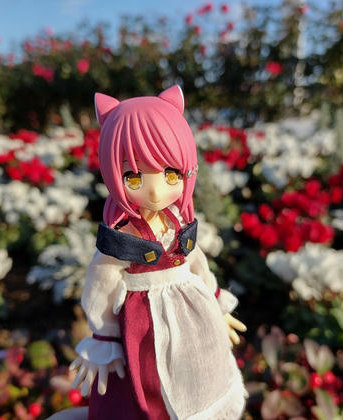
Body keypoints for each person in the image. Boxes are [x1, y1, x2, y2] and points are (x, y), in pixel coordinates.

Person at [56, 86, 247, 420]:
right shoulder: (123, 233)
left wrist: (216, 303)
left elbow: (197, 262)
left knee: (201, 373)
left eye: (171, 174)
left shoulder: (178, 221)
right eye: (133, 177)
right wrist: (104, 335)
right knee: (147, 384)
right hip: (144, 322)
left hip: (194, 310)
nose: (156, 190)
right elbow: (101, 281)